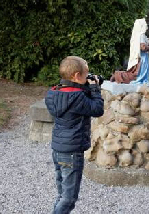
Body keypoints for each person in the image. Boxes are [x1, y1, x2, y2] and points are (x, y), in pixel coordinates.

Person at [45, 56, 104, 214]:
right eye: (86, 74)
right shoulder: (77, 97)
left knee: (62, 194)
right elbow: (97, 109)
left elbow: (73, 97)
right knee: (69, 199)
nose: (88, 77)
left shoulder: (53, 93)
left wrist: (87, 87)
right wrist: (95, 89)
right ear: (76, 76)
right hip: (72, 152)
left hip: (58, 149)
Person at [110, 18, 149, 84]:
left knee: (138, 73)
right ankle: (117, 75)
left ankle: (118, 75)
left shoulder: (139, 35)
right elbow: (143, 48)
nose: (146, 25)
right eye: (144, 24)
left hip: (143, 57)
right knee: (137, 74)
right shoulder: (141, 35)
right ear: (141, 26)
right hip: (142, 58)